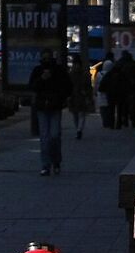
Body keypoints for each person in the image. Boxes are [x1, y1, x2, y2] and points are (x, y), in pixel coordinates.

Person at [26, 48, 72, 176]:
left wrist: (60, 97)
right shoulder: (38, 71)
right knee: (45, 137)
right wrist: (42, 78)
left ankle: (56, 161)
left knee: (54, 135)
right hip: (42, 107)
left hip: (55, 106)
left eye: (48, 58)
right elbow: (32, 86)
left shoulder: (58, 71)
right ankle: (46, 165)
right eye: (44, 58)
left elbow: (67, 86)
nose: (46, 61)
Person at [102, 51, 135, 129]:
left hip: (113, 92)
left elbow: (104, 83)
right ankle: (127, 122)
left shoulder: (115, 69)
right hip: (125, 91)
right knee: (123, 107)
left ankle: (116, 123)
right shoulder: (133, 65)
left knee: (114, 108)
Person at [67, 54, 96, 139]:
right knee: (79, 115)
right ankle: (79, 130)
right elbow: (89, 87)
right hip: (79, 96)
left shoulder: (71, 74)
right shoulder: (84, 74)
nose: (76, 66)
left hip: (77, 96)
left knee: (78, 114)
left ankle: (78, 130)